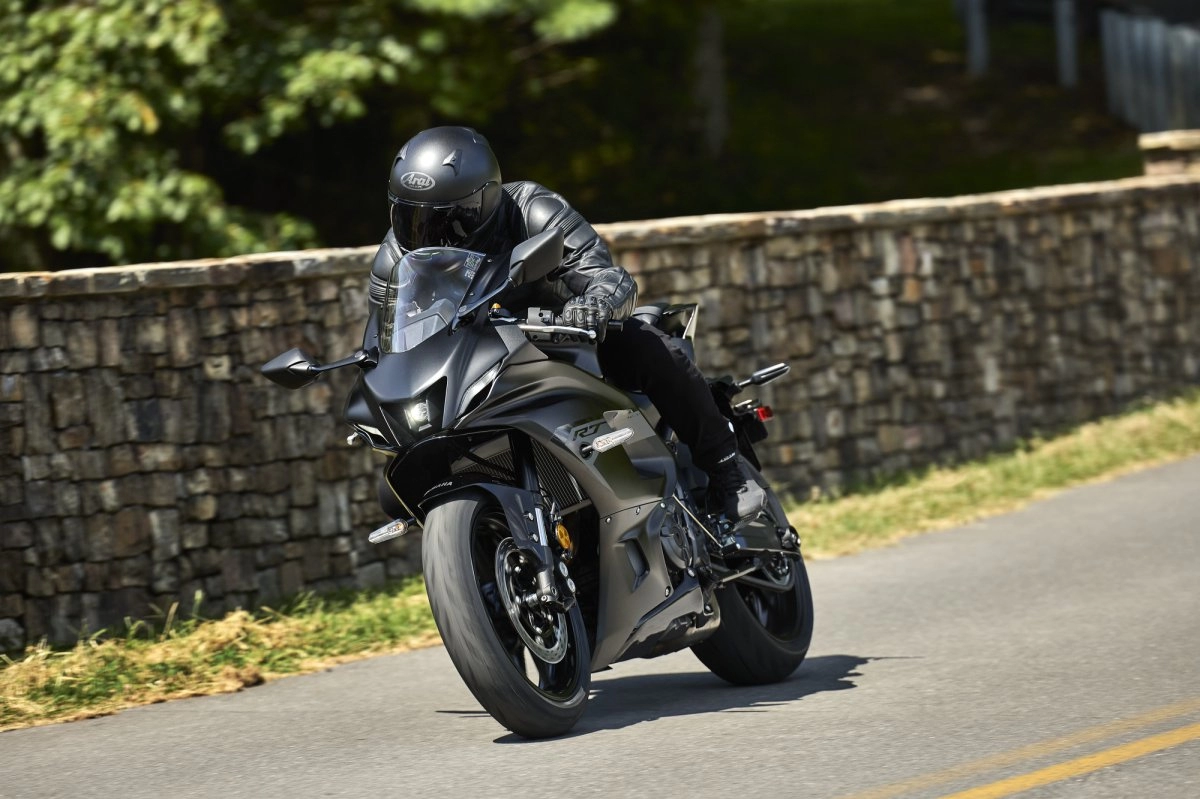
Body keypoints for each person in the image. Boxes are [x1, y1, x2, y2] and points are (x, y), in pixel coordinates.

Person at [368, 125, 763, 523]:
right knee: (395, 486)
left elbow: (602, 272)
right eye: (410, 217)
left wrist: (592, 306)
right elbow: (386, 331)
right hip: (478, 360)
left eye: (450, 220)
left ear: (486, 201)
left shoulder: (531, 210)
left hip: (564, 338)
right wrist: (372, 363)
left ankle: (727, 470)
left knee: (647, 345)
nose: (430, 235)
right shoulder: (395, 257)